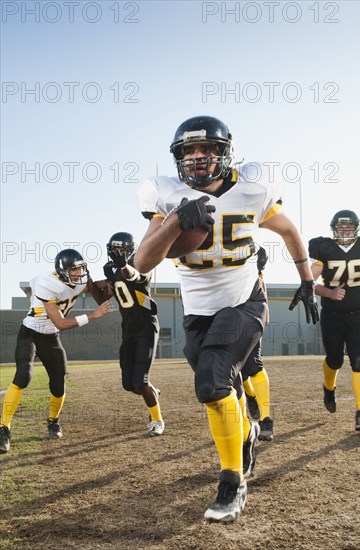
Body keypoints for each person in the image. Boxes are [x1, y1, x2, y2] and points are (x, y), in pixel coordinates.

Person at [134, 115, 319, 523]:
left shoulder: (252, 188)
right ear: (178, 158)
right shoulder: (166, 194)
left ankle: (232, 482)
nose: (198, 158)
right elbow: (144, 260)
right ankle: (248, 432)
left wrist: (306, 280)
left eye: (207, 149)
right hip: (198, 309)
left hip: (244, 299)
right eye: (189, 151)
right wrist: (178, 220)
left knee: (212, 380)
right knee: (221, 387)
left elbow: (289, 232)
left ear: (225, 152)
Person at [0, 249, 113, 454]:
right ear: (62, 272)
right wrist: (92, 316)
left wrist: (114, 282)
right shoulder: (46, 283)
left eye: (80, 268)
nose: (79, 273)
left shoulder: (80, 279)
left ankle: (53, 421)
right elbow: (60, 323)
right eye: (73, 270)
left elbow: (99, 294)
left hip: (50, 337)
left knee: (59, 382)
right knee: (23, 376)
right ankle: (3, 428)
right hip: (31, 333)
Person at [308, 210, 360, 432]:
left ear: (356, 229)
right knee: (334, 361)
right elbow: (309, 282)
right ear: (334, 229)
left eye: (349, 227)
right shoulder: (325, 249)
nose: (344, 231)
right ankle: (329, 388)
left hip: (358, 314)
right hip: (332, 316)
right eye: (340, 228)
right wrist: (330, 293)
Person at [103, 232, 164, 436]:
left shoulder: (142, 264)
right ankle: (153, 393)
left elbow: (132, 275)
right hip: (128, 329)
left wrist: (123, 266)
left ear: (130, 250)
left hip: (145, 326)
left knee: (140, 381)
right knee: (129, 384)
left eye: (121, 250)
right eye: (114, 249)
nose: (117, 253)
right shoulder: (109, 269)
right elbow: (111, 288)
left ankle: (157, 420)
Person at [242, 246, 274, 441]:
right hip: (224, 313)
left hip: (250, 313)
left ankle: (266, 419)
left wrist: (265, 310)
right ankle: (250, 395)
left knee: (254, 364)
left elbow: (259, 282)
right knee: (235, 368)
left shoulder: (253, 261)